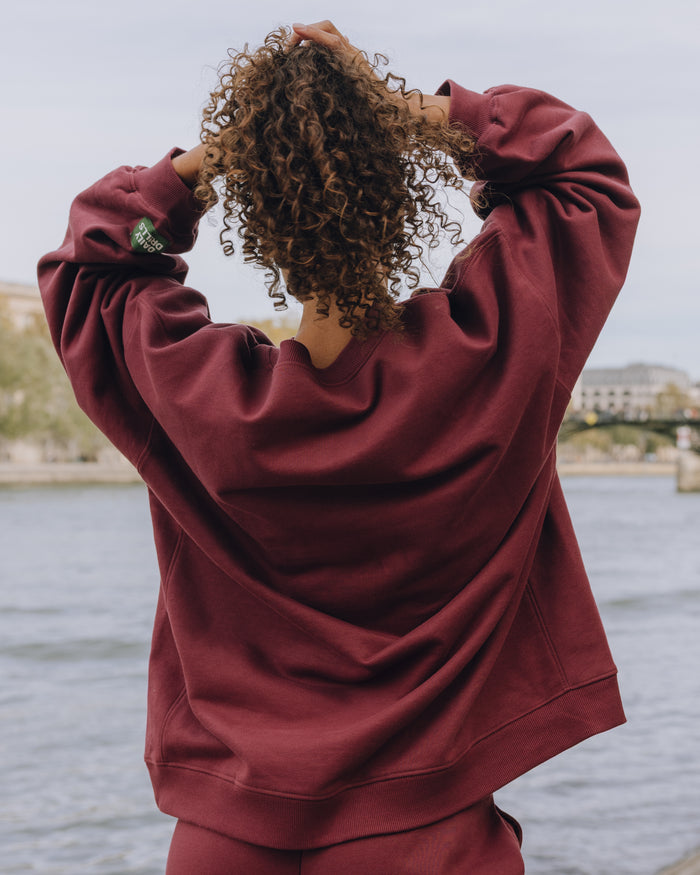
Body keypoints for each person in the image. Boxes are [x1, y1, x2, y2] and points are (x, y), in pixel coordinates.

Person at [37, 20, 640, 874]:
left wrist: (201, 171)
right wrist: (417, 115)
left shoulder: (191, 395)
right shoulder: (493, 359)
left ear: (262, 224)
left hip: (227, 846)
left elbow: (97, 262)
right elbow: (578, 173)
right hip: (432, 841)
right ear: (398, 202)